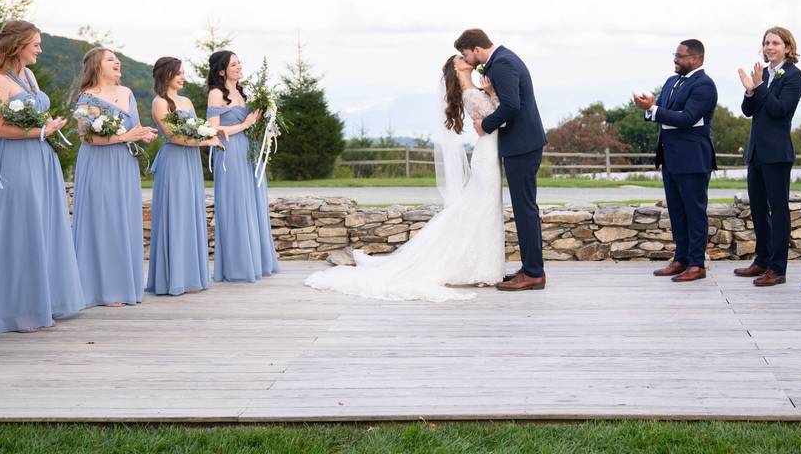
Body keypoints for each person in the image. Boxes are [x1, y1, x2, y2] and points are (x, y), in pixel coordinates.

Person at [304, 55, 505, 301]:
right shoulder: (472, 94)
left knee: (481, 208)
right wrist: (493, 92)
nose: (467, 58)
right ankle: (480, 269)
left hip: (489, 153)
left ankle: (481, 267)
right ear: (457, 67)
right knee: (483, 208)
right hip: (487, 155)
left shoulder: (472, 91)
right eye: (462, 58)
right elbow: (499, 119)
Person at [0, 20, 84, 333]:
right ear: (18, 45)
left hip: (41, 157)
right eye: (35, 44)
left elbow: (37, 113)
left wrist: (48, 126)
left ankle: (42, 301)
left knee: (44, 225)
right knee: (21, 227)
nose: (40, 49)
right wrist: (42, 130)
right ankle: (17, 310)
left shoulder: (29, 75)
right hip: (15, 159)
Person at [457, 28, 549, 292]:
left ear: (476, 48)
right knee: (524, 209)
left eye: (465, 54)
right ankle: (530, 267)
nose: (466, 59)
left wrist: (485, 125)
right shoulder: (499, 61)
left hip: (522, 145)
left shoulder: (503, 63)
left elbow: (511, 105)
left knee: (525, 210)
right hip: (520, 144)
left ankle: (534, 273)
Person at [72, 46, 157, 308]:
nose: (117, 61)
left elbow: (135, 127)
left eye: (117, 58)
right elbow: (86, 136)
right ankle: (103, 290)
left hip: (125, 163)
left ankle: (124, 285)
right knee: (104, 220)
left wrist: (143, 134)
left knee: (124, 220)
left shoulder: (127, 92)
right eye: (110, 59)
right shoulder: (87, 97)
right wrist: (123, 137)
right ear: (97, 66)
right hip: (98, 164)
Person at [634, 39, 717, 282]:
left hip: (693, 159)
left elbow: (688, 118)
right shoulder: (671, 81)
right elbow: (661, 110)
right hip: (670, 157)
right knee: (677, 212)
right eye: (675, 55)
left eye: (680, 56)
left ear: (696, 59)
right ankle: (680, 259)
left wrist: (655, 109)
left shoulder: (705, 85)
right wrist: (648, 107)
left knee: (694, 212)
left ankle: (696, 264)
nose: (675, 60)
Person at [735, 26, 801, 286]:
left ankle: (778, 269)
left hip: (777, 153)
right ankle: (762, 260)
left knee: (778, 211)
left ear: (787, 47)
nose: (769, 47)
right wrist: (750, 90)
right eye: (766, 43)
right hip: (756, 152)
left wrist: (761, 86)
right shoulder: (762, 73)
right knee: (757, 209)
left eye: (775, 43)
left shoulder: (795, 76)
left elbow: (779, 110)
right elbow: (747, 110)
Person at [147, 56, 223, 296]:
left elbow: (194, 128)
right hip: (174, 161)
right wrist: (207, 140)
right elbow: (174, 136)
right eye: (178, 73)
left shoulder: (187, 101)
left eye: (182, 73)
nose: (182, 77)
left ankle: (191, 275)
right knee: (175, 213)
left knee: (190, 213)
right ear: (166, 74)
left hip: (190, 161)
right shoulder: (159, 102)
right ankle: (173, 277)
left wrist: (206, 134)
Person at [206, 50, 279, 282]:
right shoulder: (216, 93)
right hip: (230, 152)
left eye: (239, 63)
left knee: (252, 203)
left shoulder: (241, 92)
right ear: (221, 70)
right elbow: (213, 129)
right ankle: (238, 267)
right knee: (236, 204)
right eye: (234, 64)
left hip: (249, 151)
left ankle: (257, 261)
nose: (239, 67)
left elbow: (251, 123)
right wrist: (246, 124)